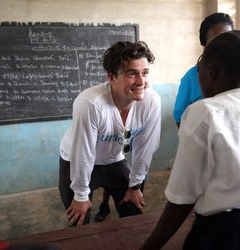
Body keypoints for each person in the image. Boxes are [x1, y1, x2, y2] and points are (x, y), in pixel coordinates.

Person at [141, 30, 240, 250]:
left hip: (224, 233)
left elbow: (182, 198)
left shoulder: (206, 112)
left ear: (212, 70)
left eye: (199, 71)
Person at [58, 41, 161, 226]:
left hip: (113, 159)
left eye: (144, 72)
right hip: (75, 160)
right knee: (79, 221)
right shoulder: (90, 103)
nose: (141, 81)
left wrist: (135, 185)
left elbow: (145, 148)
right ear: (111, 77)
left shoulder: (151, 101)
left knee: (133, 210)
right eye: (131, 73)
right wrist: (81, 194)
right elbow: (83, 152)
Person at [173, 12, 234, 127]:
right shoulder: (191, 78)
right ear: (204, 43)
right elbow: (180, 119)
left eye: (229, 39)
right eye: (215, 42)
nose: (224, 47)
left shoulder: (236, 75)